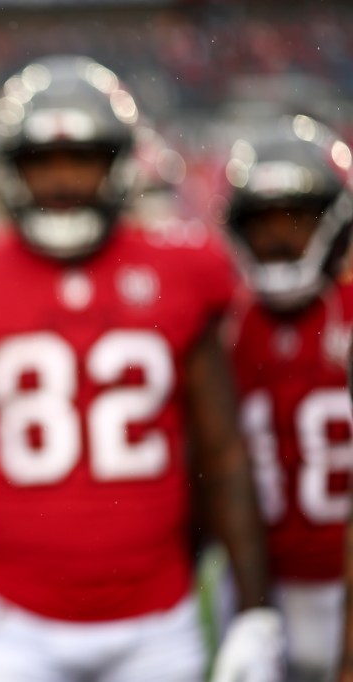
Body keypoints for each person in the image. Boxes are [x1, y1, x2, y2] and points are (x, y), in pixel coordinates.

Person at [0, 54, 282, 682]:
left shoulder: (184, 272)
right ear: (13, 168)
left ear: (118, 163)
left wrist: (255, 611)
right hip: (12, 619)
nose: (63, 181)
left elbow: (225, 452)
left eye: (82, 158)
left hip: (160, 619)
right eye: (43, 161)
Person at [222, 114, 353, 681]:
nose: (277, 237)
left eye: (297, 219)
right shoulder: (230, 326)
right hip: (261, 584)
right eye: (262, 221)